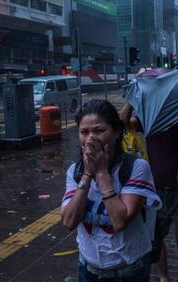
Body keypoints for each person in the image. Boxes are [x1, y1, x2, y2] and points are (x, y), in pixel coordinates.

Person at [61, 99, 161, 282]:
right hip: (88, 270)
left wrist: (101, 173)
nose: (90, 138)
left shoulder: (136, 168)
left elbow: (119, 221)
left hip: (130, 272)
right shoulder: (74, 172)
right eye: (84, 132)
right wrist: (87, 174)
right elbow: (68, 221)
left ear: (116, 132)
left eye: (99, 130)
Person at [120, 104, 178, 281]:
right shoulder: (151, 117)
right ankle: (164, 277)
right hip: (155, 189)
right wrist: (131, 101)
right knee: (156, 237)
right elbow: (122, 123)